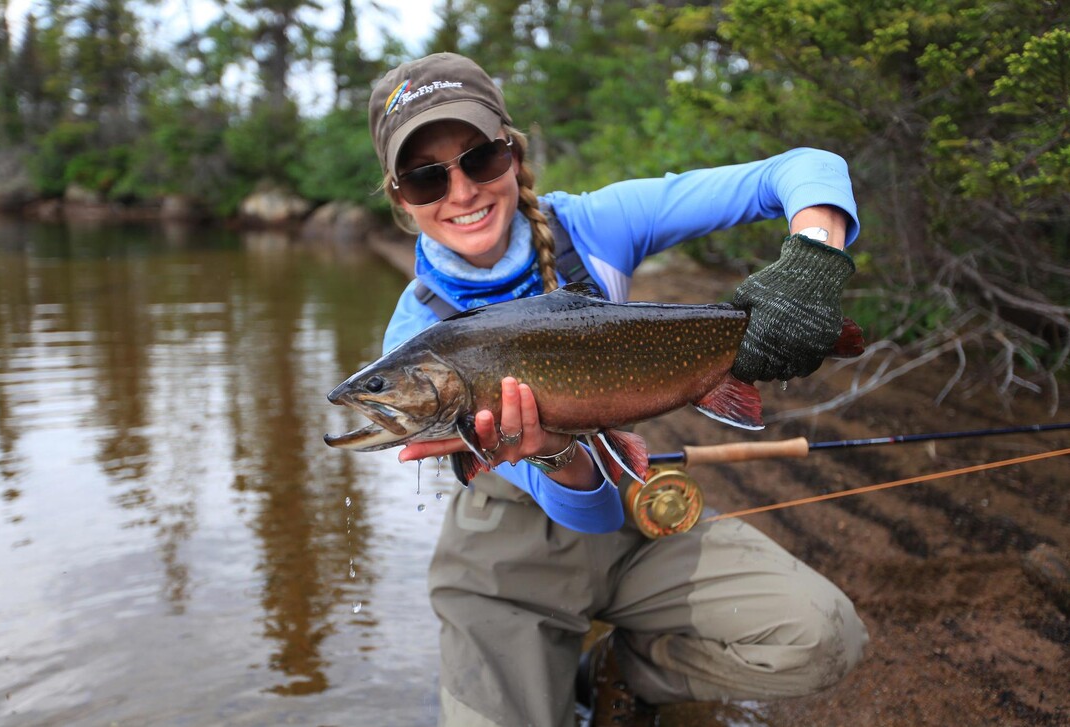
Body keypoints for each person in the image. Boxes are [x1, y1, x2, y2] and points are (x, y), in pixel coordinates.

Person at [367, 52, 868, 727]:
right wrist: (554, 453)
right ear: (400, 196)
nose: (460, 192)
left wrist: (813, 257)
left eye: (480, 158)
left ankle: (623, 672)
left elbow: (805, 167)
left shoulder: (598, 224)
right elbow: (585, 510)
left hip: (634, 516)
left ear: (511, 153)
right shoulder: (414, 334)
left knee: (822, 635)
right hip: (501, 563)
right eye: (427, 177)